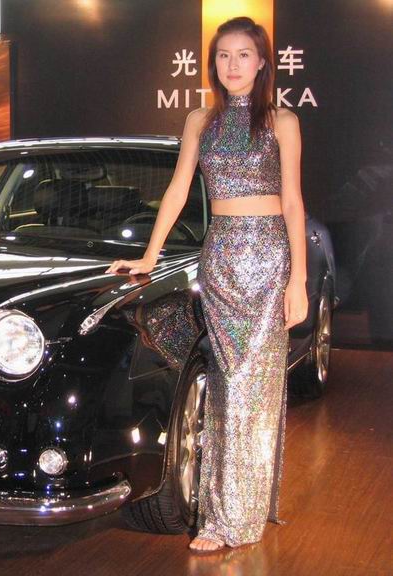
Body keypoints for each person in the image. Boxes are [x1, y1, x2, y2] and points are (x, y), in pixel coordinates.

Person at [106, 16, 309, 551]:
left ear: (262, 63)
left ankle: (232, 518)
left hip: (267, 262)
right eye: (223, 55)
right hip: (218, 261)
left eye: (243, 55)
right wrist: (148, 255)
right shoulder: (200, 120)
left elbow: (292, 202)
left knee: (251, 388)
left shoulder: (282, 121)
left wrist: (299, 279)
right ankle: (228, 509)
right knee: (224, 386)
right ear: (212, 63)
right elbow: (177, 191)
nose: (232, 65)